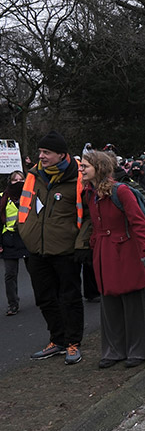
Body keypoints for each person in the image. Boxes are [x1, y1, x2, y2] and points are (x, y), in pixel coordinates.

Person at [18, 131, 92, 364]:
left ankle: (73, 343)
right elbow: (25, 207)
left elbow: (89, 216)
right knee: (44, 298)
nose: (41, 156)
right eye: (40, 151)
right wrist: (26, 234)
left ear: (61, 154)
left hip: (66, 251)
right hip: (37, 250)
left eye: (46, 152)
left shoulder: (78, 178)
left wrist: (81, 245)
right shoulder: (34, 175)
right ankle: (57, 339)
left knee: (70, 298)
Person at [80, 151, 145, 368]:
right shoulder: (89, 193)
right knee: (109, 303)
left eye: (85, 166)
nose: (81, 169)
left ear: (99, 168)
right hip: (103, 252)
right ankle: (114, 350)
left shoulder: (121, 191)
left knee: (133, 302)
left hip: (126, 251)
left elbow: (139, 222)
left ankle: (139, 350)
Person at [1, 171, 27, 315]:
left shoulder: (30, 196)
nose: (18, 182)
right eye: (15, 180)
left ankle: (45, 298)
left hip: (27, 238)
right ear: (10, 182)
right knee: (10, 274)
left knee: (37, 271)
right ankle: (13, 304)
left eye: (21, 179)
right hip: (9, 240)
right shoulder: (3, 197)